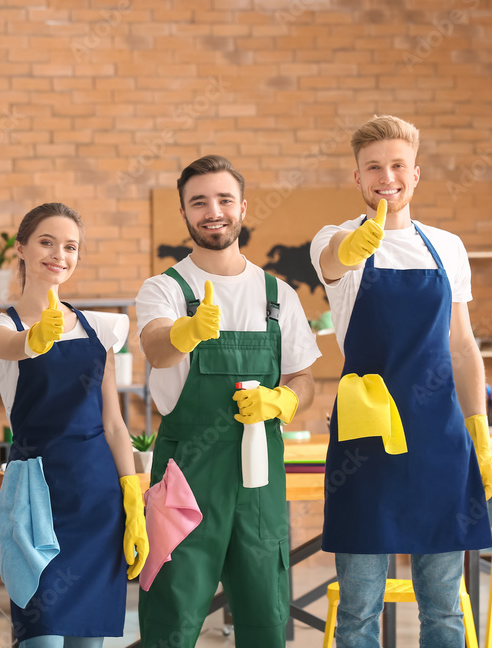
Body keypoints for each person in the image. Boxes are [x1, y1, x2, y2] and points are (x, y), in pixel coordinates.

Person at [310, 115, 492, 647]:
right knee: (359, 609)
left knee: (443, 609)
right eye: (374, 167)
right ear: (357, 177)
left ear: (416, 174)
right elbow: (330, 260)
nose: (386, 176)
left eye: (397, 165)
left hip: (440, 438)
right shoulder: (337, 237)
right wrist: (349, 251)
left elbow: (462, 347)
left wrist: (477, 433)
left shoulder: (447, 246)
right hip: (366, 444)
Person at [135, 155, 320, 648]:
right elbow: (155, 346)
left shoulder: (277, 294)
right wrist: (187, 331)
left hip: (259, 480)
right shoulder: (166, 289)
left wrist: (283, 400)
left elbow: (304, 376)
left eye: (222, 199)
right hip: (186, 482)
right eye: (199, 202)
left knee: (265, 618)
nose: (212, 211)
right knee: (170, 618)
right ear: (185, 214)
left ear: (242, 207)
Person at [0, 202, 148, 648]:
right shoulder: (0, 327)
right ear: (21, 248)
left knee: (87, 641)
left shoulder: (99, 329)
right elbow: (10, 346)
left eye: (70, 246)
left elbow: (114, 423)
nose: (59, 254)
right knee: (41, 637)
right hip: (38, 500)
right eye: (47, 242)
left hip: (98, 498)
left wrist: (132, 493)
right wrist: (35, 339)